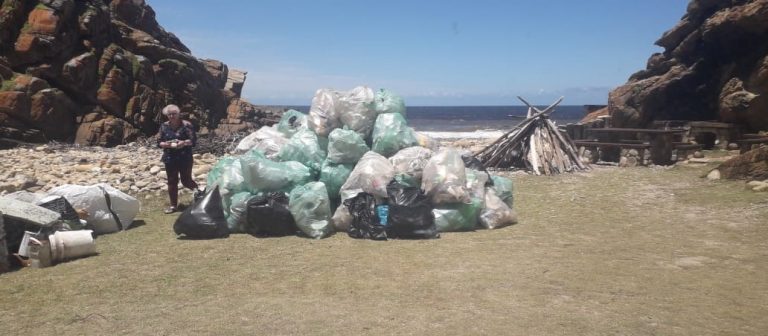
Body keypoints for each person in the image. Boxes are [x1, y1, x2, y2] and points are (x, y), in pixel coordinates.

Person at [157, 104, 199, 214]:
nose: (171, 116)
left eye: (174, 114)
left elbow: (193, 140)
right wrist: (166, 144)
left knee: (186, 180)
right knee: (172, 181)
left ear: (178, 114)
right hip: (170, 157)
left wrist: (183, 143)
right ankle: (173, 206)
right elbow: (159, 141)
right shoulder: (164, 126)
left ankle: (200, 194)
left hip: (185, 156)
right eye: (169, 114)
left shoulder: (186, 125)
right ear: (167, 115)